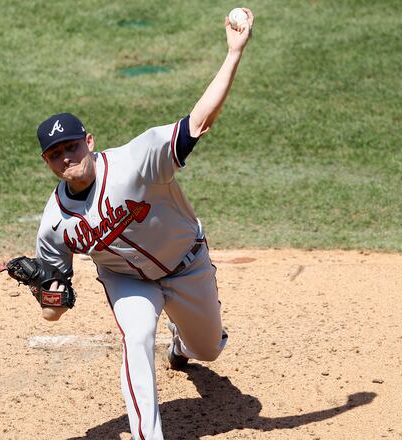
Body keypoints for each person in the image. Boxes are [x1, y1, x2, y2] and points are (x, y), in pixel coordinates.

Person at [32, 10, 254, 440]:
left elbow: (199, 123)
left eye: (72, 146)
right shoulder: (53, 223)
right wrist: (45, 288)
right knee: (135, 336)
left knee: (207, 349)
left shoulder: (137, 160)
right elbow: (51, 313)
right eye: (56, 154)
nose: (67, 158)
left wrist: (233, 53)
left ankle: (181, 342)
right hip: (127, 281)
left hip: (187, 264)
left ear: (89, 142)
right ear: (47, 162)